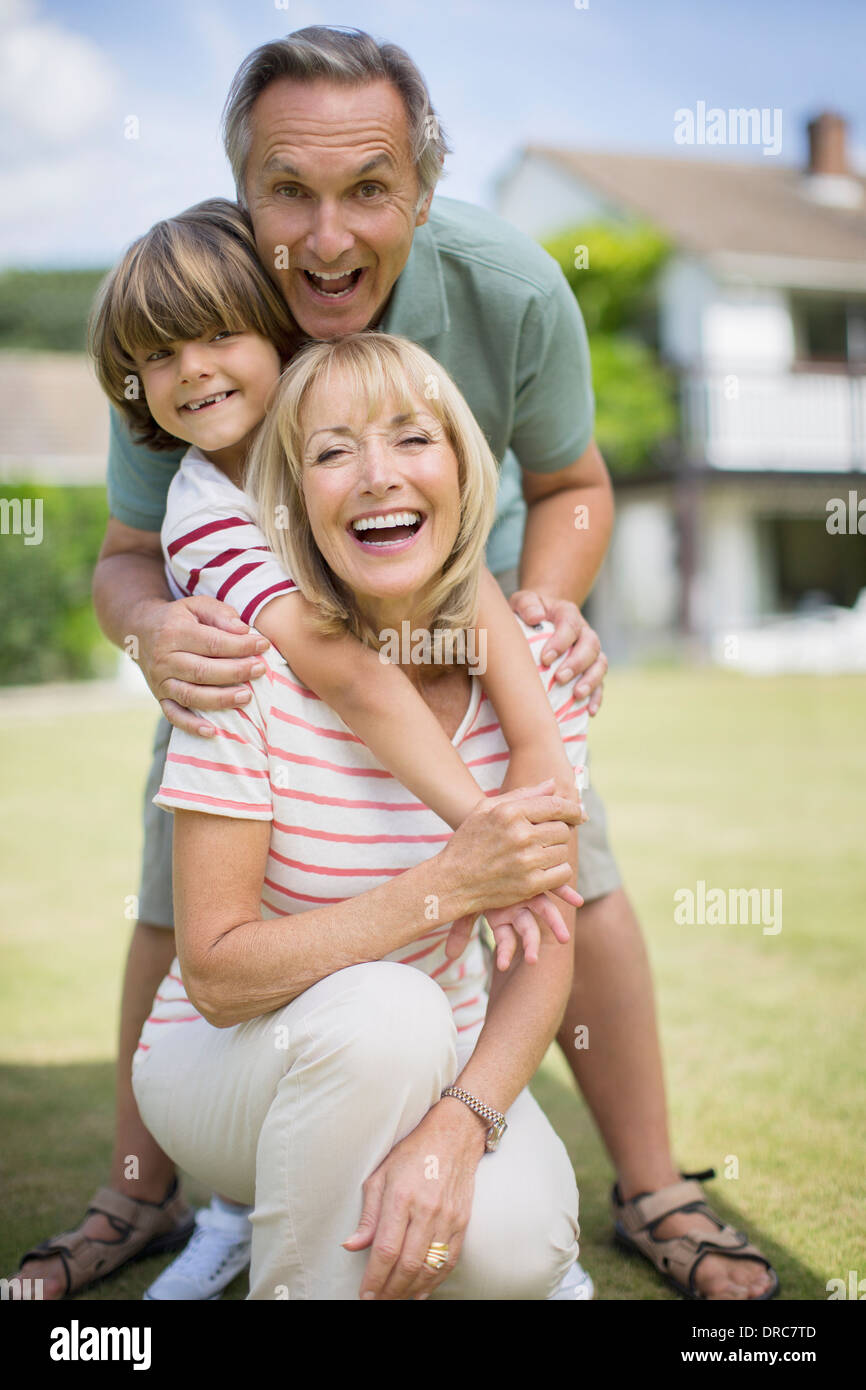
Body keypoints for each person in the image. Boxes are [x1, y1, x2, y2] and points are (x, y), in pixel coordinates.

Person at [14, 24, 777, 1302]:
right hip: (254, 652)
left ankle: (650, 1184)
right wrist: (155, 633)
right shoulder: (194, 319)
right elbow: (126, 555)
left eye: (366, 188)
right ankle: (140, 1193)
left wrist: (543, 612)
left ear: (419, 188)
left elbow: (575, 485)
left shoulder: (510, 288)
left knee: (567, 873)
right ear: (239, 189)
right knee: (190, 899)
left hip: (464, 629)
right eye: (287, 193)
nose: (323, 238)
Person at [132, 329, 589, 1300]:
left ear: (462, 472)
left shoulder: (535, 681)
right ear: (292, 502)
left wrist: (455, 1127)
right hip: (230, 1064)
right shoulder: (239, 667)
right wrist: (445, 888)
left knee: (517, 1250)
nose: (377, 477)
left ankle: (324, 1210)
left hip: (436, 1061)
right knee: (389, 1010)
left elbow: (546, 944)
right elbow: (215, 972)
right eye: (333, 452)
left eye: (411, 439)